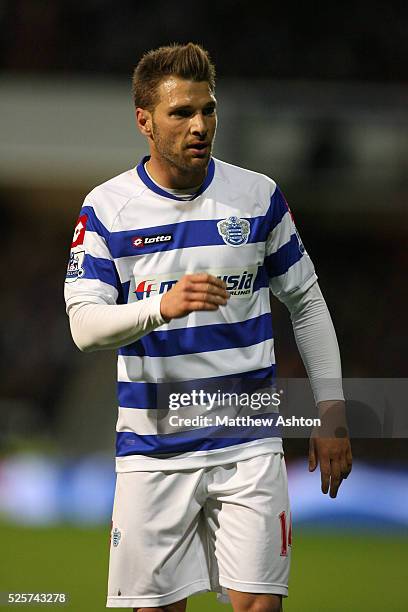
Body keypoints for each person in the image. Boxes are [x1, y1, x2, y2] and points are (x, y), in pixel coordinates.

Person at [64, 43, 352, 612]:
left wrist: (333, 412)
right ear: (144, 121)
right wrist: (160, 308)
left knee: (258, 606)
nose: (200, 125)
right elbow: (85, 326)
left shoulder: (257, 196)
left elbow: (308, 303)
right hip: (153, 450)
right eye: (181, 113)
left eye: (208, 110)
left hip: (247, 443)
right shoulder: (106, 210)